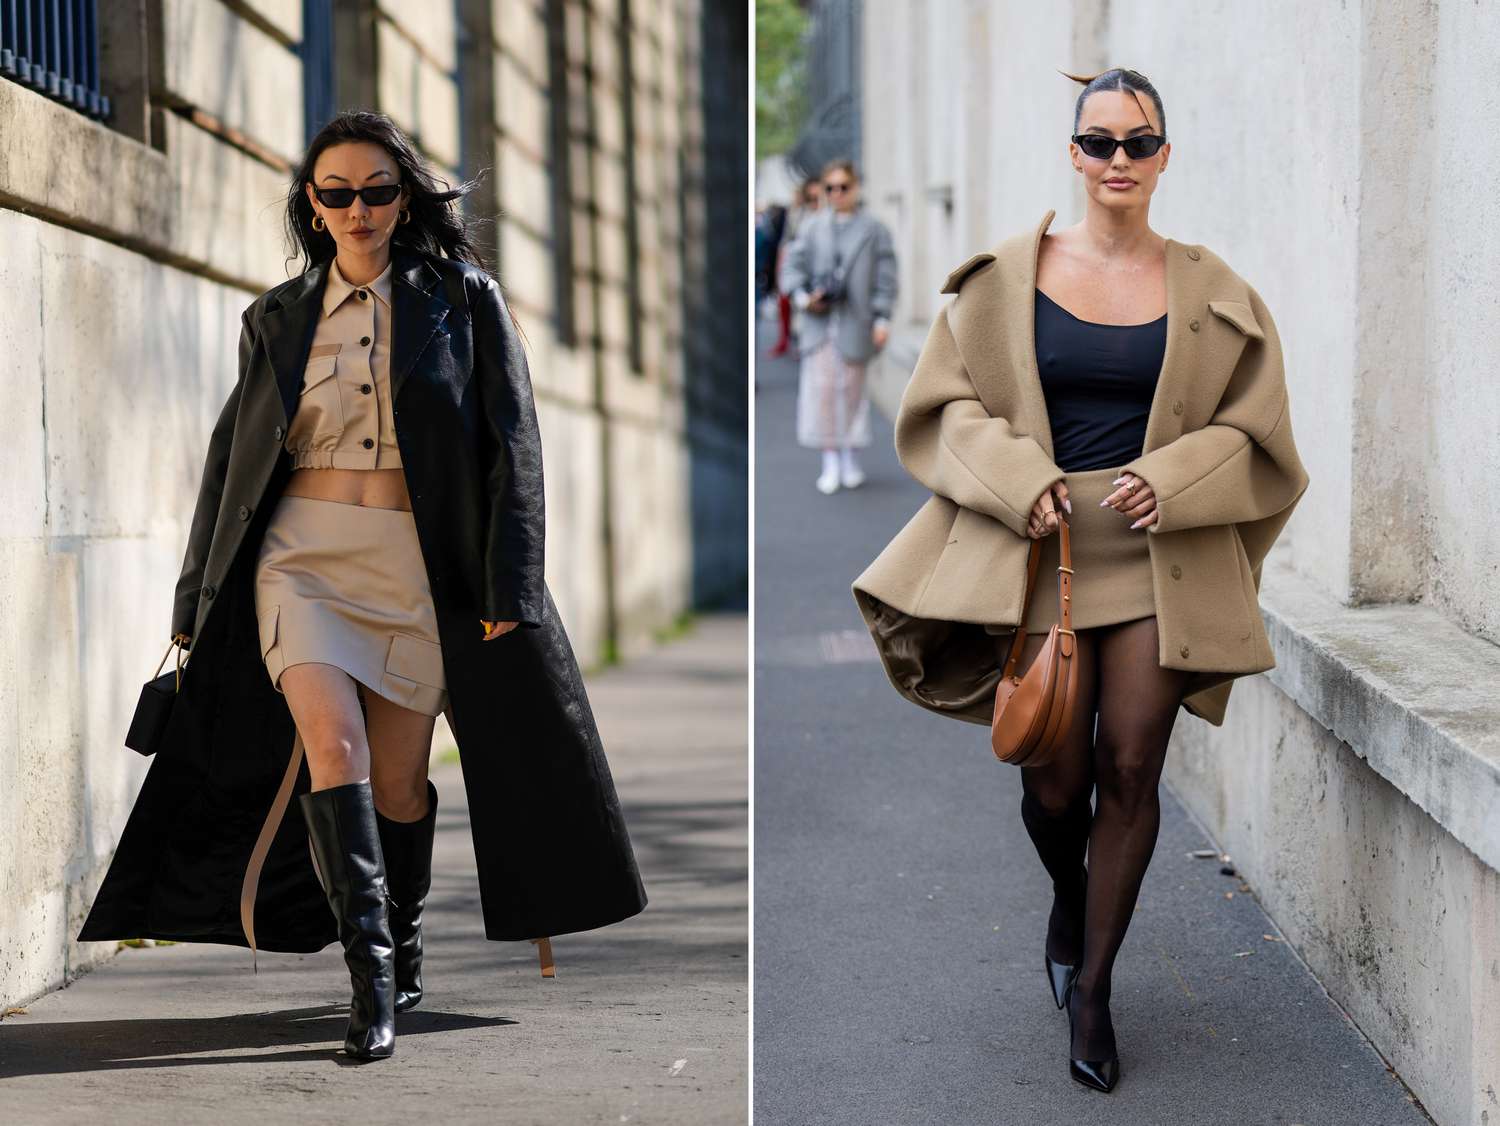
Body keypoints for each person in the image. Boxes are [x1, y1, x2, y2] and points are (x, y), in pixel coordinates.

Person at [78, 110, 648, 1062]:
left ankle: (405, 934)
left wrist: (514, 581)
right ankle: (370, 978)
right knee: (331, 747)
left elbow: (513, 445)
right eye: (335, 192)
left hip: (417, 571)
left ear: (405, 197)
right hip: (297, 560)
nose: (357, 209)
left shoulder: (463, 301)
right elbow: (229, 466)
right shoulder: (275, 316)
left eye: (377, 190)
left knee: (396, 781)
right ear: (312, 204)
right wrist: (193, 599)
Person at [852, 67, 1309, 1092]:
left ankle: (1095, 986)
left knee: (1133, 765)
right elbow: (948, 408)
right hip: (1043, 563)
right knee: (1054, 779)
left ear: (1163, 156)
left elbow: (1260, 427)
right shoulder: (1004, 278)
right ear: (1072, 152)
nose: (1118, 161)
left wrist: (1178, 477)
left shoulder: (1216, 290)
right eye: (1099, 142)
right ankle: (1070, 891)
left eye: (1137, 143)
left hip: (1160, 561)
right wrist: (1019, 482)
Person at [778, 159, 898, 494]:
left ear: (855, 187)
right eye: (830, 188)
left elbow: (886, 279)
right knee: (822, 392)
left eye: (843, 186)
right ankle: (830, 457)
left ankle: (850, 456)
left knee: (852, 392)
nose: (837, 193)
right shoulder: (814, 226)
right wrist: (804, 298)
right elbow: (792, 269)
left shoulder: (874, 229)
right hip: (820, 326)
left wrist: (882, 318)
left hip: (855, 324)